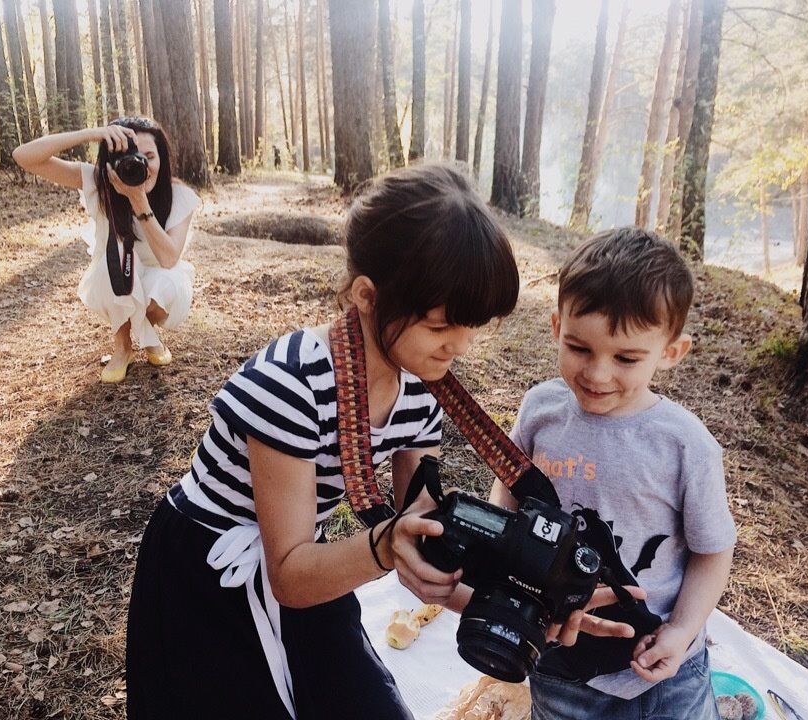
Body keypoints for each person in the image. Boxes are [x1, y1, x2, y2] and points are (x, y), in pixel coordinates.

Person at [123, 163, 640, 720]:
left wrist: (524, 606)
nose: (459, 348)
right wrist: (382, 546)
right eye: (442, 327)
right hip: (208, 576)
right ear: (367, 295)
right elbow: (293, 575)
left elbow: (421, 534)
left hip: (305, 561)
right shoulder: (289, 383)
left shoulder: (419, 388)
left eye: (472, 326)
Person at [490, 227, 737, 719]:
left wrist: (683, 629)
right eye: (580, 348)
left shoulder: (684, 444)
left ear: (670, 352)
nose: (597, 374)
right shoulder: (541, 412)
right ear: (558, 326)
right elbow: (509, 495)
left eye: (626, 358)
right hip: (557, 659)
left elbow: (713, 551)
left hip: (660, 669)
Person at [12, 117, 200, 383]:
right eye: (132, 157)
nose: (142, 166)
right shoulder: (99, 182)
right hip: (114, 274)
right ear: (113, 161)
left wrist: (138, 200)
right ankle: (124, 346)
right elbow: (23, 157)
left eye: (149, 157)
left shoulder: (179, 195)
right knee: (113, 262)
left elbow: (169, 259)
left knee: (167, 286)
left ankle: (146, 335)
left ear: (162, 160)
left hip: (160, 273)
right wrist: (93, 133)